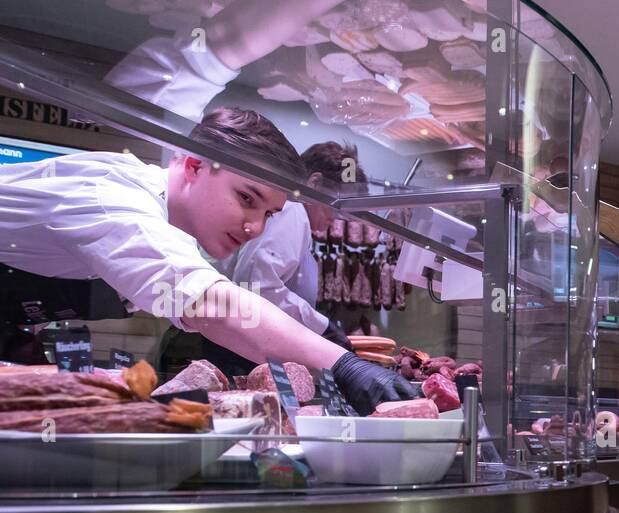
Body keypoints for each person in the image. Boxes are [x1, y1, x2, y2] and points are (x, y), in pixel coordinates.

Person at [0, 108, 416, 413]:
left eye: (268, 214)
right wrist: (343, 364)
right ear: (195, 165)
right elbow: (211, 306)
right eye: (246, 198)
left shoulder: (164, 220)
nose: (255, 227)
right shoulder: (115, 201)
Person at [204, 140, 364, 377]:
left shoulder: (293, 215)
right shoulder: (291, 210)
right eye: (337, 204)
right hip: (240, 349)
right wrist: (322, 326)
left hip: (243, 343)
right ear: (315, 183)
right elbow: (258, 286)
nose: (337, 217)